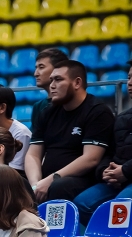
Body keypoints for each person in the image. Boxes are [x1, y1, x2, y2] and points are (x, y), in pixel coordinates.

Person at [25, 60, 115, 202]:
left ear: (77, 83)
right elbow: (33, 155)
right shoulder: (48, 112)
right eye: (51, 80)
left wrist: (51, 179)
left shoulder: (97, 111)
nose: (52, 85)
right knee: (16, 184)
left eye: (58, 80)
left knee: (59, 186)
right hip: (48, 180)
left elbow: (91, 159)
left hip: (82, 179)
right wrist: (35, 184)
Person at [74, 60, 132, 225]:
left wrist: (125, 171)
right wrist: (106, 171)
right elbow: (109, 151)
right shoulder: (122, 117)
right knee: (82, 204)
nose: (130, 83)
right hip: (118, 178)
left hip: (126, 175)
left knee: (122, 205)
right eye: (128, 78)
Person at [32, 48, 69, 131]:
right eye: (36, 68)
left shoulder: (71, 103)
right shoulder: (38, 107)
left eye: (41, 67)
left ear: (58, 69)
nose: (35, 74)